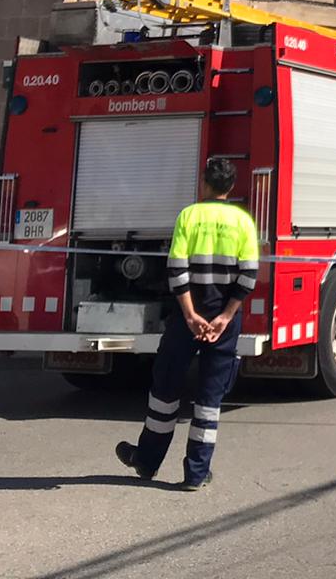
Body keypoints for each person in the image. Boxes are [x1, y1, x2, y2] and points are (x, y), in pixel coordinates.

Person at [116, 156, 258, 490]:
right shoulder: (243, 221)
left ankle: (147, 461)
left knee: (165, 388)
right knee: (210, 398)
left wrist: (191, 315)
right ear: (231, 188)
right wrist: (224, 316)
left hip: (187, 317)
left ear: (205, 184)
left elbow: (176, 269)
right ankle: (196, 473)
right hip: (224, 320)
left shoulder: (189, 216)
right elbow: (249, 275)